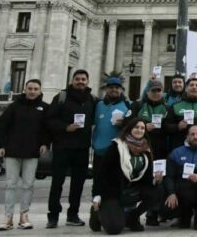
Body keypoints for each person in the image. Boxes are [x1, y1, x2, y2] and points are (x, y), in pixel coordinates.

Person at [0, 79, 50, 231]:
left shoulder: (45, 108)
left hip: (32, 152)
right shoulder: (14, 106)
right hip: (12, 151)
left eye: (35, 89)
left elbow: (47, 128)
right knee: (10, 185)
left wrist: (45, 143)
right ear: (25, 90)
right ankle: (8, 217)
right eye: (30, 88)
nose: (32, 91)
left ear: (40, 91)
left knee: (28, 185)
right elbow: (2, 125)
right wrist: (0, 146)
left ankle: (24, 216)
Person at [92, 119, 163, 234]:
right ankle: (97, 213)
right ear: (129, 129)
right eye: (136, 127)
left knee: (158, 190)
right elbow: (101, 173)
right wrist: (97, 195)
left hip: (132, 189)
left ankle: (132, 217)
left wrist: (155, 179)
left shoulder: (146, 149)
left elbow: (146, 178)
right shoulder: (116, 147)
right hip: (113, 192)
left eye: (142, 128)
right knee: (114, 229)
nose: (139, 130)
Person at [45, 69, 96, 228]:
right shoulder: (61, 97)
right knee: (57, 183)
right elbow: (49, 120)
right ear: (72, 80)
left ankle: (73, 214)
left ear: (87, 81)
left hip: (82, 147)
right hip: (62, 146)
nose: (80, 81)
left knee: (78, 184)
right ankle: (53, 216)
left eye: (83, 79)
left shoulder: (92, 100)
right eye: (77, 79)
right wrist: (66, 127)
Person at [90, 75, 131, 228]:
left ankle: (116, 214)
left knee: (117, 185)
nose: (114, 90)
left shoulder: (128, 105)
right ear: (106, 89)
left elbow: (133, 126)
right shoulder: (98, 105)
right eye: (111, 87)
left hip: (118, 154)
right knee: (97, 185)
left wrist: (125, 123)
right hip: (100, 152)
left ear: (121, 90)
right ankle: (95, 214)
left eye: (117, 87)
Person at [164, 78, 197, 151]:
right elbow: (166, 126)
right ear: (186, 89)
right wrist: (178, 126)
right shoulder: (175, 106)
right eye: (191, 85)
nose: (194, 87)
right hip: (180, 148)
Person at [128, 80, 169, 160]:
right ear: (147, 92)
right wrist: (143, 127)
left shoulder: (167, 108)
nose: (156, 93)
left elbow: (169, 127)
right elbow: (127, 123)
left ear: (162, 92)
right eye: (153, 90)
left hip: (160, 149)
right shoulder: (137, 105)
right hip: (139, 146)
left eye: (159, 90)